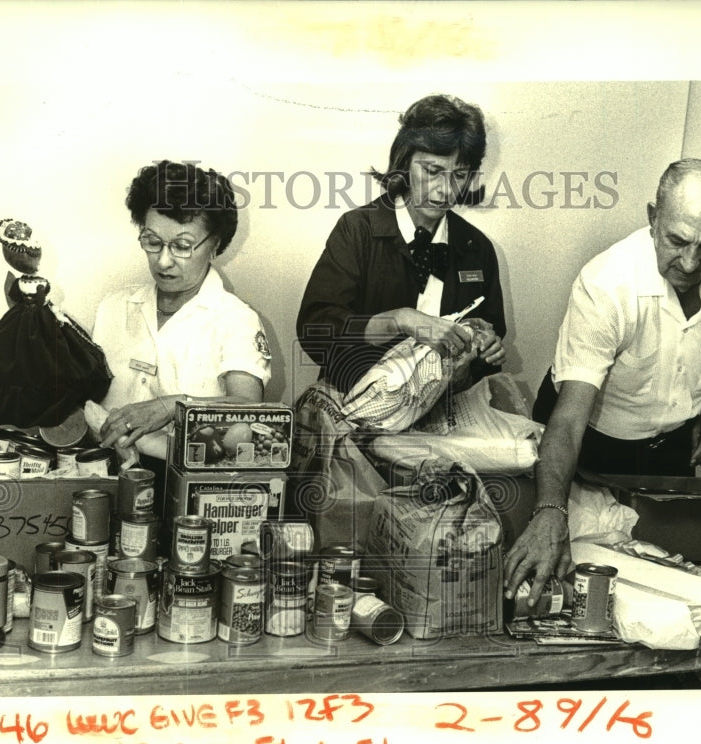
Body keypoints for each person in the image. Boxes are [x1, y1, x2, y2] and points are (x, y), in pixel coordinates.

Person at [506, 158, 701, 607]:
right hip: (589, 442)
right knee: (568, 583)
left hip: (669, 450)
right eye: (677, 240)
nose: (692, 262)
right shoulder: (607, 284)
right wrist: (550, 511)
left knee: (668, 580)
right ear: (652, 217)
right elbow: (570, 418)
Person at [296, 94, 507, 396]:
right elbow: (314, 332)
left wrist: (485, 352)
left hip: (444, 412)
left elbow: (490, 339)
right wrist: (399, 320)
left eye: (459, 175)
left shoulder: (478, 248)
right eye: (432, 171)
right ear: (404, 162)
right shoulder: (357, 229)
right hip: (356, 408)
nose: (446, 190)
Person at [92, 160, 271, 478]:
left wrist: (171, 407)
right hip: (103, 473)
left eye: (182, 246)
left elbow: (248, 409)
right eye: (152, 242)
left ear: (214, 244)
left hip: (188, 482)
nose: (163, 260)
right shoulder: (113, 307)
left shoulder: (235, 320)